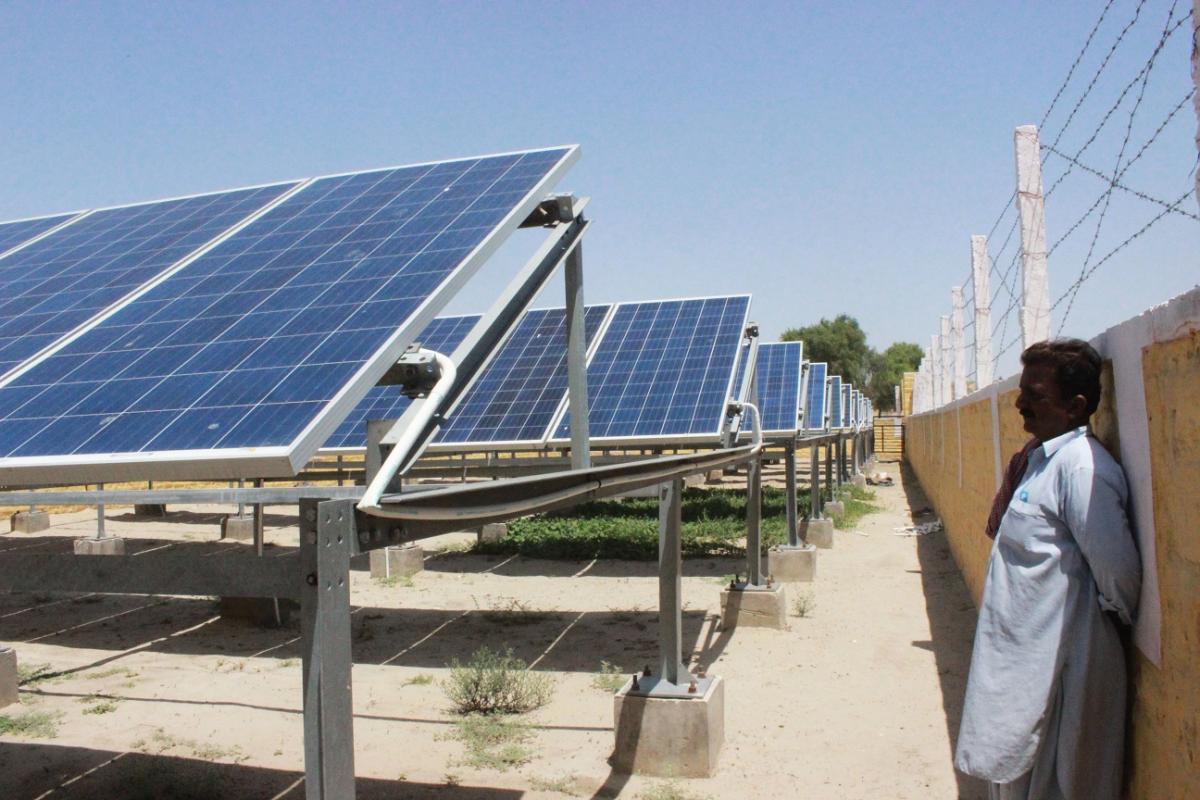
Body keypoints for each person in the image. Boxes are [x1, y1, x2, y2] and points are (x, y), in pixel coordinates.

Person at [954, 339, 1141, 800]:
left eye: (1034, 395)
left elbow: (1119, 576)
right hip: (1023, 663)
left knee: (1061, 779)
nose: (1020, 404)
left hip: (1063, 666)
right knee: (1015, 772)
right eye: (1022, 392)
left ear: (1075, 405)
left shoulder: (1081, 470)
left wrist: (1081, 631)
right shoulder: (1039, 461)